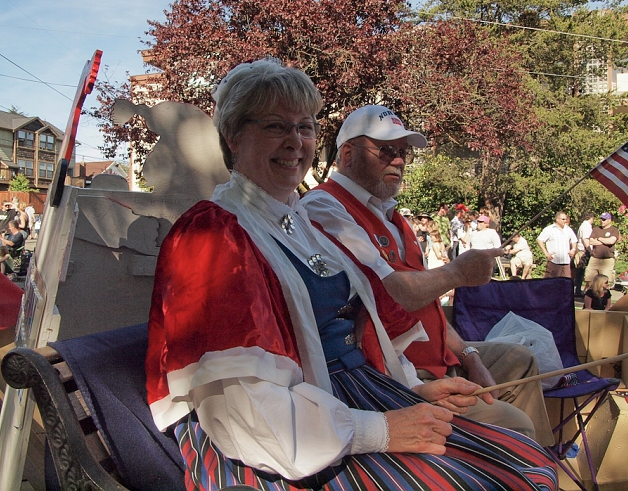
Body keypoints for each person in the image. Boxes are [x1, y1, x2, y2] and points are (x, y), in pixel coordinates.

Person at [146, 62, 557, 491]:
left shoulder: (295, 219)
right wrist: (380, 429)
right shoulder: (214, 234)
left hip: (350, 400)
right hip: (282, 439)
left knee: (524, 462)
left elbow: (357, 332)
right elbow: (242, 412)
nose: (295, 142)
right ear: (233, 136)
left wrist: (411, 388)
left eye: (305, 127)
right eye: (275, 126)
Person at [302, 104, 554, 446]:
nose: (399, 161)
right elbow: (397, 293)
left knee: (520, 361)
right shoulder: (324, 206)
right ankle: (520, 460)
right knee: (516, 425)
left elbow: (428, 302)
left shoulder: (390, 215)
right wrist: (459, 272)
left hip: (438, 360)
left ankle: (527, 464)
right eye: (386, 150)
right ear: (347, 153)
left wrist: (468, 355)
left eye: (403, 152)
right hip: (396, 374)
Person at [584, 212, 620, 288]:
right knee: (590, 280)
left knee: (605, 282)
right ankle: (591, 297)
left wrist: (599, 238)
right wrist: (605, 242)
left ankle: (604, 298)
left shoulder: (614, 230)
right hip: (594, 258)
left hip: (607, 259)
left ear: (609, 220)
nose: (602, 221)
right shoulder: (596, 229)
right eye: (601, 219)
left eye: (604, 219)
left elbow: (611, 241)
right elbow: (591, 241)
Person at [537, 211, 577, 278]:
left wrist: (573, 249)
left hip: (566, 261)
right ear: (557, 219)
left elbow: (574, 240)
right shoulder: (549, 229)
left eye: (566, 219)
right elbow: (539, 240)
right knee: (550, 282)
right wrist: (546, 253)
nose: (565, 221)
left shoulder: (568, 229)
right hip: (554, 261)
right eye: (563, 219)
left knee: (566, 282)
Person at [574, 212, 595, 295]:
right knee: (581, 271)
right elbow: (585, 239)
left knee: (580, 271)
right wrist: (590, 250)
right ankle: (578, 290)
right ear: (591, 218)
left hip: (581, 250)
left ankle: (578, 289)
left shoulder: (584, 226)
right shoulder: (586, 226)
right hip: (583, 251)